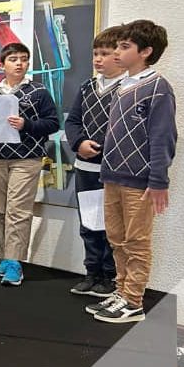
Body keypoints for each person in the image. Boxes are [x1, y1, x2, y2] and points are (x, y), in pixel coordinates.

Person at [87, 20, 176, 324]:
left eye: (125, 47)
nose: (117, 52)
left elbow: (163, 136)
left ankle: (133, 300)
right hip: (112, 175)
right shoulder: (122, 87)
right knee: (116, 237)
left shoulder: (157, 88)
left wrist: (159, 179)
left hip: (140, 181)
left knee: (137, 240)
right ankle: (121, 290)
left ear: (146, 52)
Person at [0, 42, 60, 286]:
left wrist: (27, 124)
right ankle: (5, 257)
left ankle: (16, 263)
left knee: (18, 210)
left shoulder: (39, 91)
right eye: (13, 59)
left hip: (26, 158)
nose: (19, 63)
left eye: (23, 59)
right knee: (1, 211)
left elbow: (53, 123)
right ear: (2, 65)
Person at [64, 26, 126, 297]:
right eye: (95, 54)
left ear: (120, 55)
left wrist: (102, 148)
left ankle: (110, 276)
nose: (98, 59)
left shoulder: (127, 88)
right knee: (89, 222)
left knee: (113, 225)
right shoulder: (88, 86)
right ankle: (92, 272)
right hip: (85, 167)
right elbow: (73, 121)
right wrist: (79, 143)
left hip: (113, 170)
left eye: (105, 53)